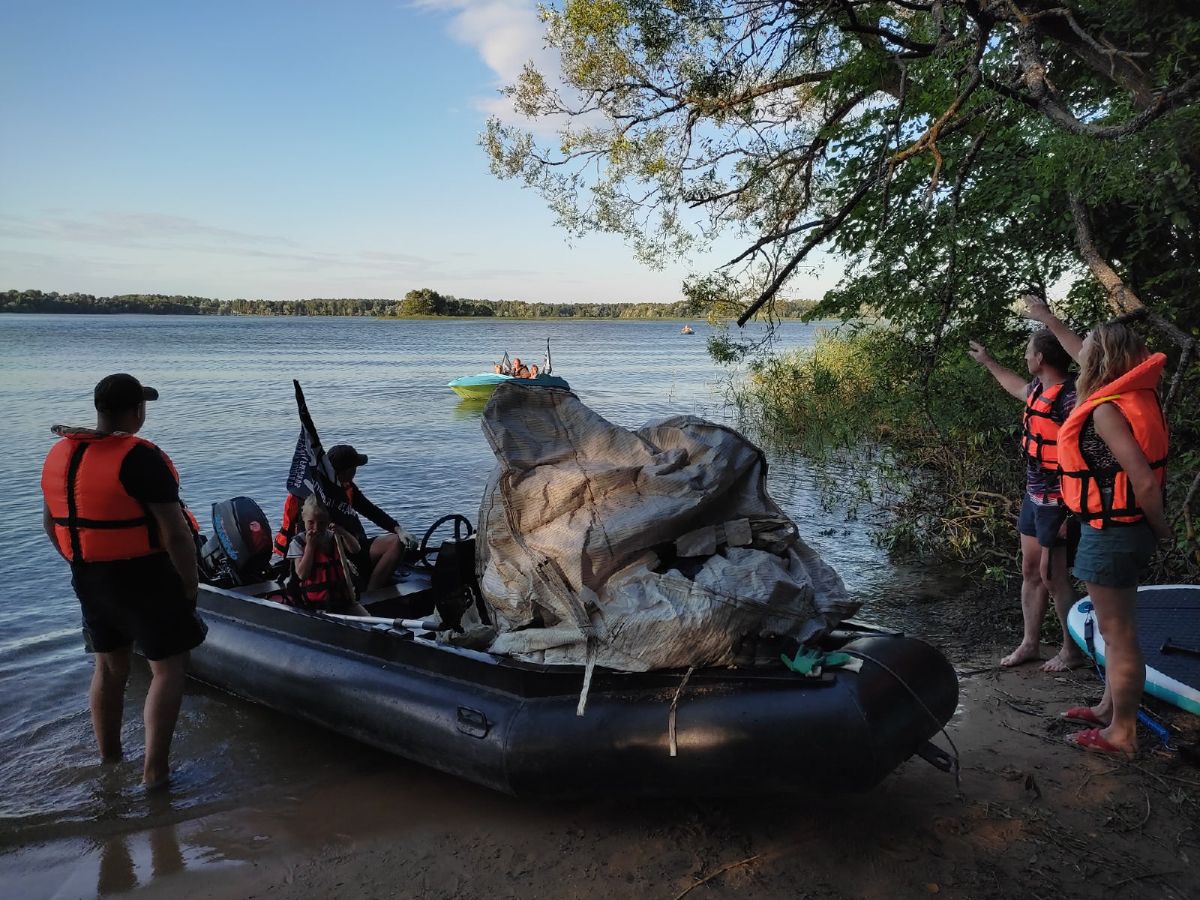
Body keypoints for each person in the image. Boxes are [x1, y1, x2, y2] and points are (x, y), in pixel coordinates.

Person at [40, 374, 206, 788]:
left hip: (88, 575)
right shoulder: (140, 457)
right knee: (168, 668)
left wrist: (80, 560)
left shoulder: (61, 454)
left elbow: (51, 523)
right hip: (145, 576)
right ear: (136, 411)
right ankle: (155, 773)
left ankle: (110, 761)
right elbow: (175, 532)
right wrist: (189, 585)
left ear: (99, 408)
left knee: (109, 667)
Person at [1057, 323, 1170, 757]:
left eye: (1084, 344)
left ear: (1101, 356)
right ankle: (1109, 707)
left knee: (1119, 634)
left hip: (1116, 532)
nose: (1078, 350)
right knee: (1111, 628)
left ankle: (1122, 735)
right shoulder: (1134, 397)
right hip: (1112, 527)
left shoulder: (1107, 409)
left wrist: (1160, 529)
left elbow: (1142, 483)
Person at [968, 298, 1085, 672]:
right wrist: (988, 362)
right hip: (1035, 495)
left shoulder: (1071, 398)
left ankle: (1071, 649)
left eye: (1028, 352)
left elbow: (1084, 454)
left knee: (1054, 576)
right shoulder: (1037, 389)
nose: (1025, 358)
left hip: (1060, 500)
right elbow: (1014, 386)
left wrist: (1070, 511)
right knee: (1031, 571)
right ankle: (1030, 643)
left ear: (1040, 359)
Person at [273, 443, 414, 592]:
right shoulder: (314, 495)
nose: (355, 472)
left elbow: (371, 510)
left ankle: (373, 591)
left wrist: (398, 529)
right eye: (354, 468)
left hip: (357, 546)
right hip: (336, 553)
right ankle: (365, 594)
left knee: (397, 542)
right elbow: (306, 531)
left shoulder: (348, 487)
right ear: (346, 471)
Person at [284, 495, 369, 616]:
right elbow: (302, 574)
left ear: (329, 520)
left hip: (342, 599)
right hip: (315, 605)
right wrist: (310, 547)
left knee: (367, 621)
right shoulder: (298, 542)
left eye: (322, 523)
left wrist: (343, 533)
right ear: (303, 518)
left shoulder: (333, 536)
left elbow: (356, 549)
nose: (316, 527)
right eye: (311, 522)